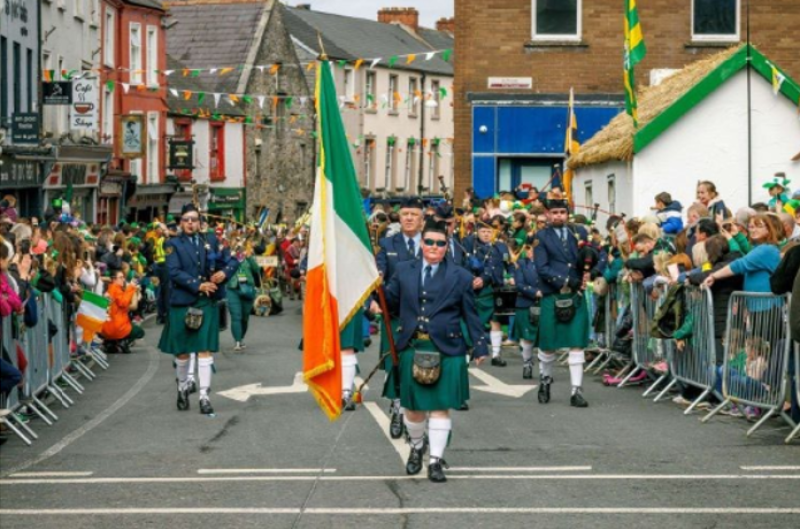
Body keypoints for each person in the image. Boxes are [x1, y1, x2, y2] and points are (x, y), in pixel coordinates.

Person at [377, 219, 489, 483]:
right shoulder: (403, 270)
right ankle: (417, 446)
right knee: (412, 410)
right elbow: (390, 303)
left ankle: (435, 461)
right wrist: (375, 289)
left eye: (440, 243)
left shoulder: (460, 276)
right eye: (429, 242)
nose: (434, 247)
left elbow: (470, 313)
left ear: (446, 246)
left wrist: (479, 344)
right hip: (412, 345)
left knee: (440, 408)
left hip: (447, 347)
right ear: (422, 244)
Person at [158, 204, 239, 416]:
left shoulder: (210, 240)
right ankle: (182, 387)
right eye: (186, 219)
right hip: (183, 302)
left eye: (194, 219)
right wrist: (198, 285)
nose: (190, 223)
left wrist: (225, 272)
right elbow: (174, 272)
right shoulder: (172, 244)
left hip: (206, 301)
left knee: (204, 349)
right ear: (180, 222)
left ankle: (204, 396)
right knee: (182, 352)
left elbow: (233, 259)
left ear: (200, 222)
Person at [534, 191, 601, 407]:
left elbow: (597, 255)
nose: (558, 216)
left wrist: (592, 271)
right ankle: (545, 380)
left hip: (576, 295)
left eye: (562, 212)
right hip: (553, 294)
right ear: (547, 214)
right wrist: (566, 280)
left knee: (577, 343)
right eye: (554, 212)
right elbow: (542, 268)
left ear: (567, 214)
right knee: (547, 344)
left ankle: (576, 390)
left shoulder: (579, 232)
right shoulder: (541, 237)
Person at [375, 196, 424, 438]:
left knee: (420, 364)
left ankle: (417, 412)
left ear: (422, 220)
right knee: (394, 364)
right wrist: (375, 298)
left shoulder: (431, 243)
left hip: (424, 314)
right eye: (405, 214)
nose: (409, 218)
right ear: (399, 217)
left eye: (414, 214)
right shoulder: (388, 243)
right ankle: (397, 409)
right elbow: (378, 273)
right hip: (396, 314)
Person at [511, 236, 541, 379]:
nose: (531, 251)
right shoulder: (521, 264)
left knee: (545, 337)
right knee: (527, 337)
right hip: (525, 303)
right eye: (529, 248)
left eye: (535, 248)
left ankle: (544, 370)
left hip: (544, 303)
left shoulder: (547, 264)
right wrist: (535, 292)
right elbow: (519, 284)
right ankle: (527, 363)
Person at [226, 239, 262, 351]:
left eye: (241, 247)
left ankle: (241, 338)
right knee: (236, 316)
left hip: (247, 289)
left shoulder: (248, 257)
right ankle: (237, 341)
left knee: (245, 317)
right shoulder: (228, 257)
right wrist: (230, 257)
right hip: (232, 289)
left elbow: (257, 269)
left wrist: (249, 257)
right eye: (237, 247)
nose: (239, 250)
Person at [101, 270, 145, 353]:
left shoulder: (109, 289)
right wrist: (132, 288)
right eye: (121, 277)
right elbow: (127, 304)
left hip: (106, 328)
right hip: (117, 326)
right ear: (114, 279)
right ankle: (123, 342)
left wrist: (134, 291)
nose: (123, 279)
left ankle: (111, 343)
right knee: (140, 332)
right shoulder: (116, 289)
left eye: (123, 277)